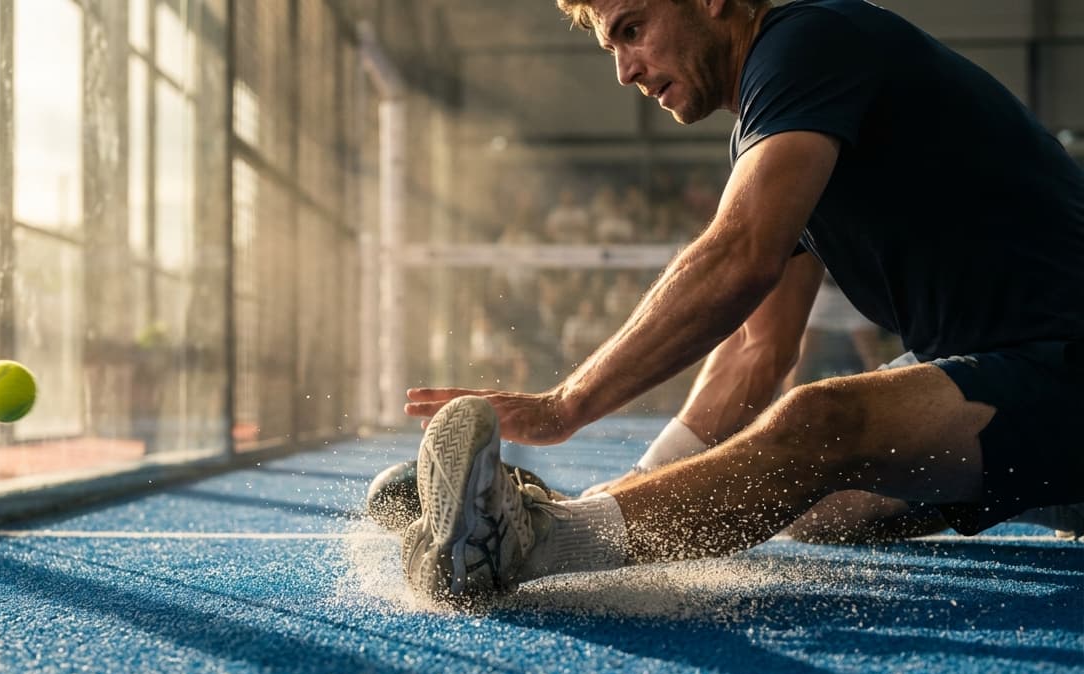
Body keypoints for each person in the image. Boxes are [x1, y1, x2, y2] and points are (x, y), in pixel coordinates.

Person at [398, 0, 1084, 602]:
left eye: (633, 30)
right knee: (819, 509)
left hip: (1064, 362)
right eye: (612, 48)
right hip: (1011, 368)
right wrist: (630, 487)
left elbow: (740, 254)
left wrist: (565, 405)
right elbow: (756, 353)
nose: (625, 72)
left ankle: (524, 547)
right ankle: (1061, 487)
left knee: (825, 422)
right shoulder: (786, 120)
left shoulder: (811, 41)